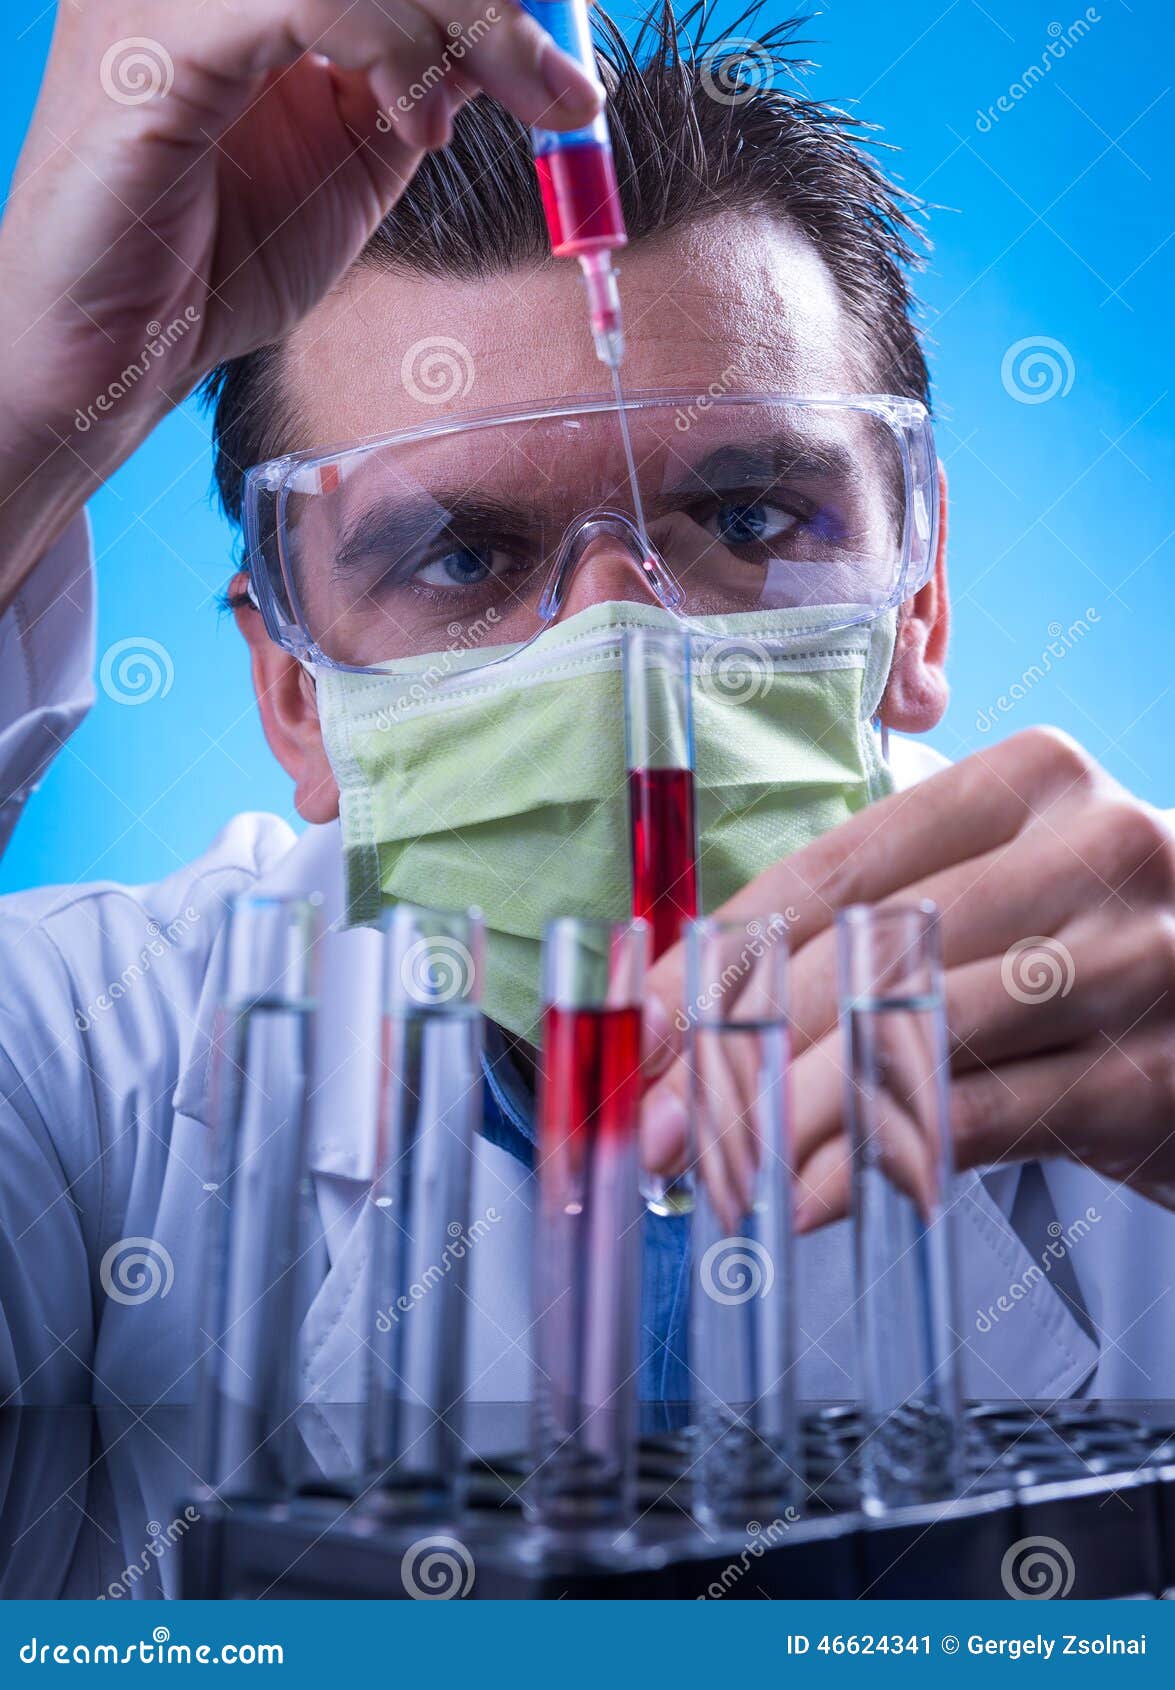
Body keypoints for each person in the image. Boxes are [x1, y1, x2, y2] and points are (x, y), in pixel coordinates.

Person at [0, 1, 1171, 1427]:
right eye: (464, 559)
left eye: (746, 515)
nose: (627, 647)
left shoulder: (1133, 1056)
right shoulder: (82, 1068)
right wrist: (26, 408)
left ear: (917, 601)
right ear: (295, 693)